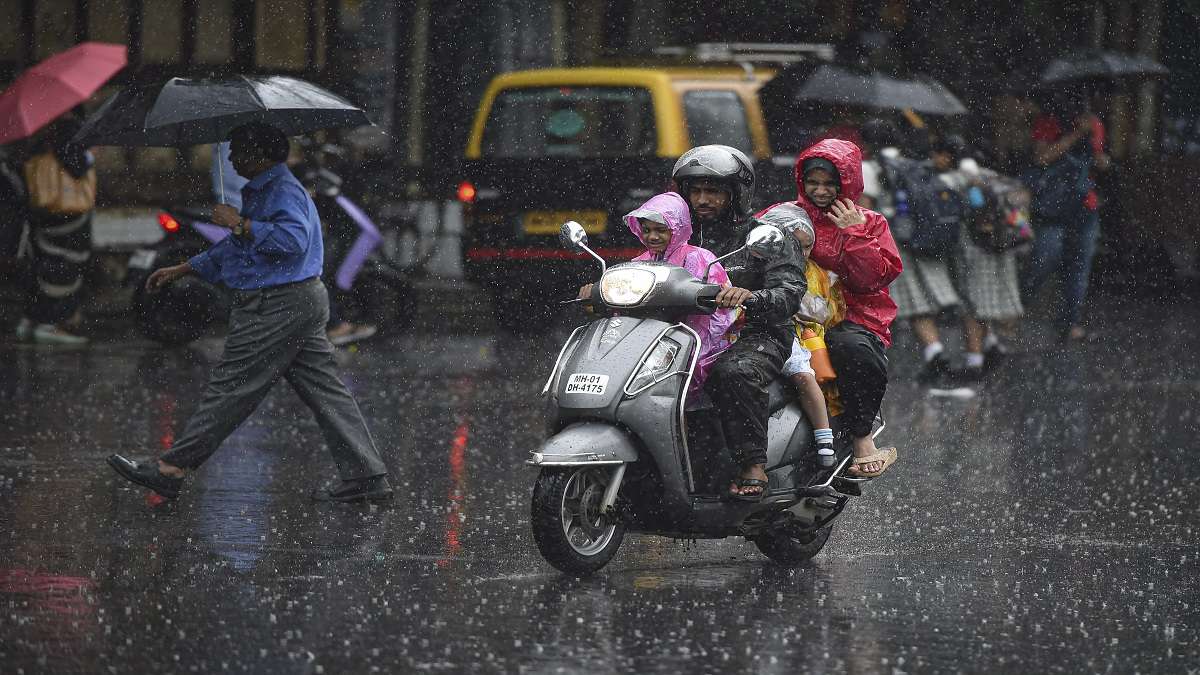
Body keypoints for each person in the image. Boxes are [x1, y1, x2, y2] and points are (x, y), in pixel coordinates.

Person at [107, 122, 391, 503]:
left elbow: (292, 241)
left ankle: (170, 469)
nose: (232, 158)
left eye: (239, 151)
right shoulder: (264, 190)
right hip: (298, 300)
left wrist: (239, 223)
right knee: (326, 391)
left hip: (276, 305)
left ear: (260, 156)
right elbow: (241, 248)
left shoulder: (281, 190)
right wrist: (185, 267)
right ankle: (367, 477)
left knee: (232, 386)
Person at [671, 145, 807, 501]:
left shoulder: (766, 237)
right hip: (684, 335)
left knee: (733, 373)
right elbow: (646, 267)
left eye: (713, 191)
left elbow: (789, 291)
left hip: (755, 333)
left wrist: (751, 297)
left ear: (736, 193)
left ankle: (752, 463)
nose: (703, 199)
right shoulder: (674, 236)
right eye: (695, 191)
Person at [793, 138, 902, 478]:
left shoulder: (871, 223)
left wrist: (853, 234)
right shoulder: (785, 216)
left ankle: (862, 439)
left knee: (852, 349)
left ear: (847, 183)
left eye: (830, 184)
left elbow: (870, 281)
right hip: (790, 312)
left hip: (855, 316)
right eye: (813, 182)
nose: (821, 191)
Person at [579, 192, 735, 397]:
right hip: (644, 345)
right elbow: (621, 311)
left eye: (661, 230)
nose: (652, 237)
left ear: (677, 229)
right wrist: (596, 294)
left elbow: (719, 313)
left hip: (688, 345)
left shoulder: (700, 259)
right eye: (646, 230)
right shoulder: (636, 264)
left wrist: (693, 346)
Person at [1021, 89, 1109, 344]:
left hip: (1085, 205)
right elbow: (1042, 157)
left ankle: (1069, 323)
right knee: (1044, 260)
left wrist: (1100, 157)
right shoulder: (1048, 122)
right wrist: (1075, 135)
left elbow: (1099, 161)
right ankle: (1016, 310)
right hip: (1052, 204)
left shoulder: (1095, 124)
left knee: (1079, 267)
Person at [872, 132, 961, 383]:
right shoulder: (922, 170)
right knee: (921, 306)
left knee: (913, 306)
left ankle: (934, 355)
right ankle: (937, 354)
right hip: (923, 240)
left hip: (897, 243)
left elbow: (868, 207)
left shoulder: (880, 168)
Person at [935, 137, 1024, 380]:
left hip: (972, 251)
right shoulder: (993, 176)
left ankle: (974, 363)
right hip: (1000, 247)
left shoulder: (950, 180)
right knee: (981, 305)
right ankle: (992, 347)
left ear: (949, 156)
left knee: (971, 308)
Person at [15, 115, 96, 345]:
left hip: (43, 215)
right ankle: (52, 323)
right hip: (67, 217)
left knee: (42, 266)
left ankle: (31, 319)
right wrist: (89, 156)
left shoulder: (40, 138)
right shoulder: (69, 132)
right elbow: (78, 167)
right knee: (64, 271)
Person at [771, 206, 839, 469]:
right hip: (752, 330)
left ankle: (825, 438)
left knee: (802, 374)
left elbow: (825, 308)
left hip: (794, 335)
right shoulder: (757, 263)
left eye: (807, 246)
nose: (801, 253)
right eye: (792, 245)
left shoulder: (815, 273)